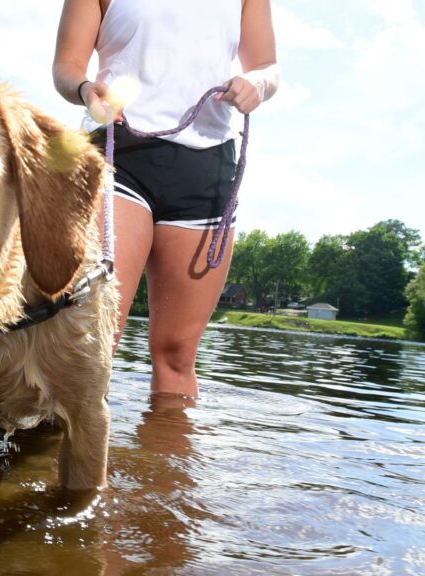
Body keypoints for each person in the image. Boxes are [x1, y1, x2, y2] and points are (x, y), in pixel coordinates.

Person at [53, 0, 278, 397]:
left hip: (208, 168)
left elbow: (266, 66)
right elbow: (67, 66)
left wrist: (256, 84)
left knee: (177, 356)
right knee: (91, 341)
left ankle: (169, 440)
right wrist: (86, 89)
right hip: (119, 154)